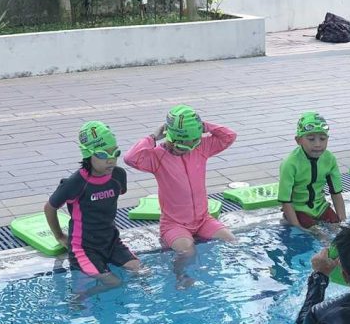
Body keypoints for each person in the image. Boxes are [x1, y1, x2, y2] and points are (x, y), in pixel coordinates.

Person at [124, 104, 236, 286]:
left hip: (203, 220)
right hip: (174, 224)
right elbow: (130, 158)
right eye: (183, 147)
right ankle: (179, 276)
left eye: (194, 143)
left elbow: (229, 136)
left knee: (231, 241)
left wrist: (203, 126)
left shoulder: (201, 148)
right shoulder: (157, 157)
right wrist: (152, 137)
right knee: (187, 252)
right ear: (171, 139)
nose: (188, 150)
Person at [44, 121, 141, 297]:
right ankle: (80, 296)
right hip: (84, 248)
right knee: (114, 283)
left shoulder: (118, 176)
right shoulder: (76, 183)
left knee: (140, 271)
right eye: (104, 154)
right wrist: (59, 236)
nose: (111, 159)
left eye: (115, 152)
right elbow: (50, 207)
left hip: (111, 242)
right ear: (88, 154)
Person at [277, 111, 346, 229]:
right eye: (311, 139)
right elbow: (285, 200)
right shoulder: (290, 163)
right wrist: (297, 226)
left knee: (337, 227)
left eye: (323, 139)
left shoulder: (329, 159)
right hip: (298, 209)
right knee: (316, 232)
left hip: (321, 207)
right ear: (298, 140)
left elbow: (336, 193)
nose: (318, 144)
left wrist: (344, 222)